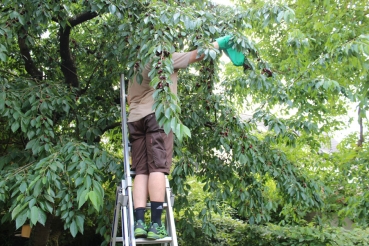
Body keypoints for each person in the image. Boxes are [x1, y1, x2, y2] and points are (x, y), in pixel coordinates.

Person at [127, 35, 244, 240]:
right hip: (158, 115)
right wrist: (221, 43)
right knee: (158, 168)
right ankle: (155, 225)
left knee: (141, 170)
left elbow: (131, 99)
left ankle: (138, 223)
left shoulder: (136, 68)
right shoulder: (163, 60)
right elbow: (196, 55)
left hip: (135, 120)